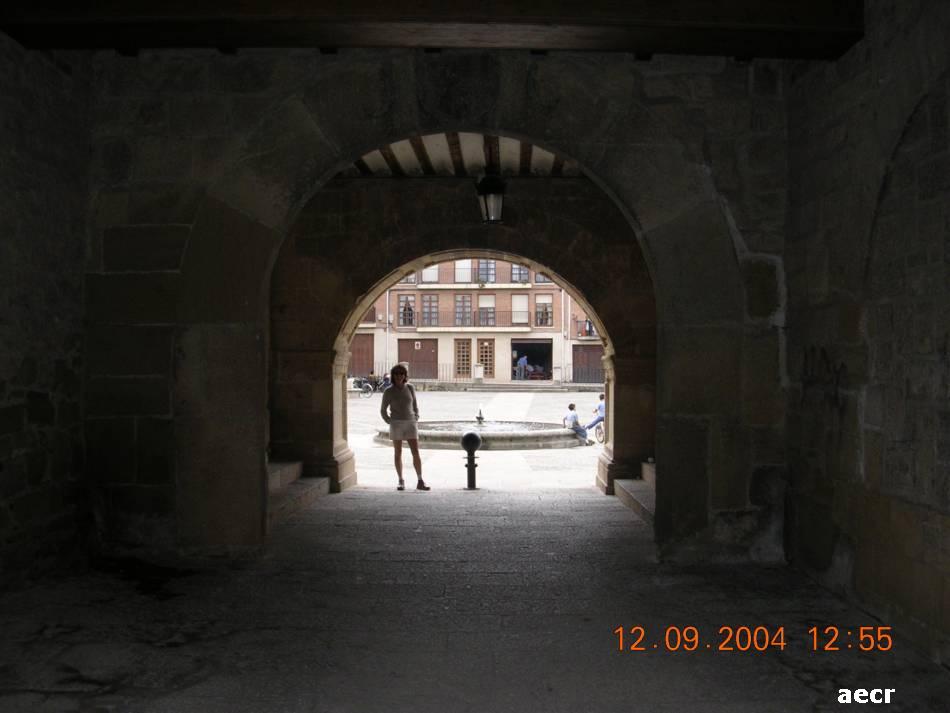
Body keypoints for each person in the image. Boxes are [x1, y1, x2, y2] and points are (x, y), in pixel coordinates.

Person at [379, 364, 430, 491]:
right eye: (396, 374)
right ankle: (401, 480)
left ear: (405, 375)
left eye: (401, 374)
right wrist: (390, 421)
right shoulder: (388, 391)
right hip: (396, 424)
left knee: (415, 452)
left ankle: (420, 480)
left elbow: (415, 404)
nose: (399, 376)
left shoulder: (410, 388)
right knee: (398, 453)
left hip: (410, 423)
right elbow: (383, 410)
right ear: (393, 376)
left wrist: (416, 417)